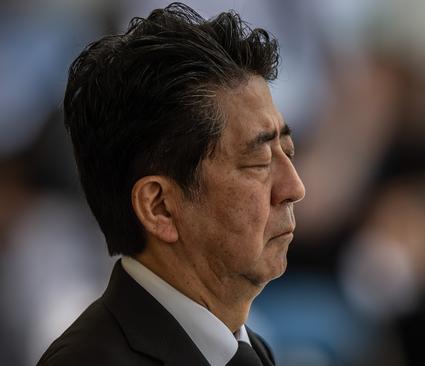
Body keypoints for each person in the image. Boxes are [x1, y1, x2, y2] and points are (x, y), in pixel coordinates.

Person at [37, 3, 305, 365]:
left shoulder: (249, 351)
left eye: (287, 151)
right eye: (259, 162)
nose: (294, 187)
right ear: (159, 206)